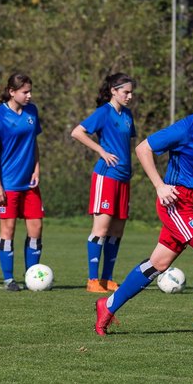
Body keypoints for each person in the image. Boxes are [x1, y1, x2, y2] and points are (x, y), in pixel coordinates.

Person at [94, 66, 193, 340]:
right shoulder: (186, 128)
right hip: (175, 202)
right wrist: (159, 186)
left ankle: (108, 305)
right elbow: (143, 148)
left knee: (158, 263)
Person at [70, 73, 137, 293]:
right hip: (106, 177)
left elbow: (127, 144)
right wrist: (101, 150)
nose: (130, 95)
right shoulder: (103, 113)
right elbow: (77, 132)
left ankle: (107, 279)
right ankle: (92, 280)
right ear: (113, 91)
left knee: (117, 231)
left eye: (131, 92)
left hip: (123, 178)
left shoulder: (127, 115)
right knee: (101, 229)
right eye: (126, 91)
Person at [0, 73, 43, 291]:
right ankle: (9, 278)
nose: (29, 95)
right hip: (7, 184)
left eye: (30, 91)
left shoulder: (32, 112)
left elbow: (33, 142)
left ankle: (32, 276)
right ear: (12, 92)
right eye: (25, 92)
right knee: (8, 231)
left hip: (30, 184)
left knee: (36, 228)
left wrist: (36, 167)